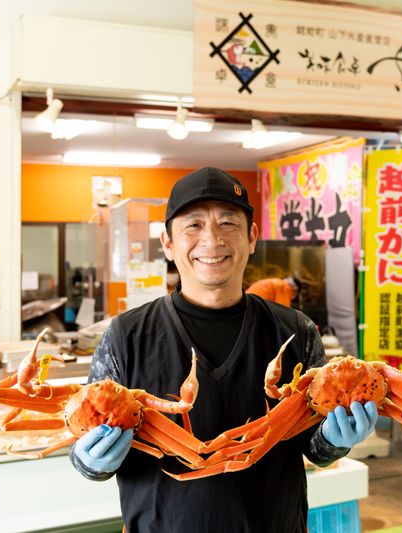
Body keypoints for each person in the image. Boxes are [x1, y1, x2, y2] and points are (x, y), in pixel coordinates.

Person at [71, 167, 378, 532]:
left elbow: (314, 448)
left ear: (252, 237)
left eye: (228, 223)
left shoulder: (297, 330)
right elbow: (85, 444)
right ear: (168, 243)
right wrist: (92, 462)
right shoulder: (125, 335)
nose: (212, 239)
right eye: (193, 225)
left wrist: (335, 440)